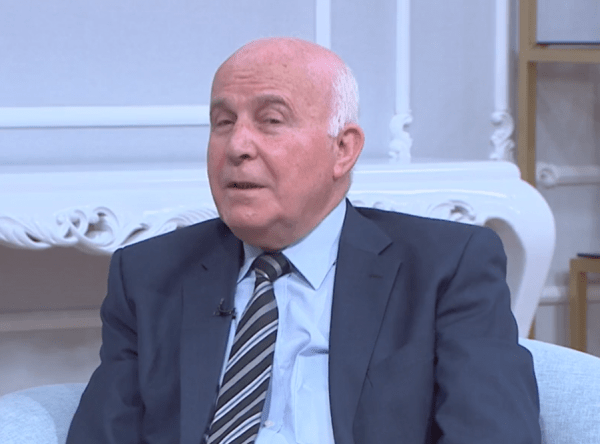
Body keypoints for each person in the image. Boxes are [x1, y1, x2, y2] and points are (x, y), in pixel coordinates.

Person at [67, 37, 541, 443]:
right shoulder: (148, 275)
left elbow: (493, 434)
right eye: (223, 122)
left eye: (271, 121)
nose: (238, 146)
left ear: (343, 149)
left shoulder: (447, 268)